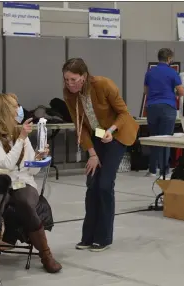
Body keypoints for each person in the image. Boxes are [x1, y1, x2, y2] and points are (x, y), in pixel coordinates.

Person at [62, 58, 138, 252]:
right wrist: (92, 154)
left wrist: (110, 131)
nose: (69, 84)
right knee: (92, 185)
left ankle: (103, 238)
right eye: (66, 79)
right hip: (97, 134)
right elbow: (80, 125)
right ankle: (88, 236)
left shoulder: (104, 84)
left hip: (118, 133)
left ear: (84, 76)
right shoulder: (69, 94)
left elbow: (124, 114)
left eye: (73, 79)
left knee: (105, 185)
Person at [0, 93, 62, 274]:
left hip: (22, 181)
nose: (19, 110)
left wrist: (37, 158)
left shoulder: (22, 135)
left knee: (25, 202)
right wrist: (20, 139)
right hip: (0, 183)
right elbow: (5, 164)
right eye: (15, 107)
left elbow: (31, 170)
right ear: (5, 112)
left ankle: (46, 255)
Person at [143, 48, 184, 177]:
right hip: (167, 107)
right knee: (166, 139)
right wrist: (174, 93)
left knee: (154, 138)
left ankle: (152, 170)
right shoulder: (173, 73)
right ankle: (164, 170)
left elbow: (146, 91)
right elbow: (181, 91)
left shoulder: (150, 72)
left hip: (152, 107)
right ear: (169, 59)